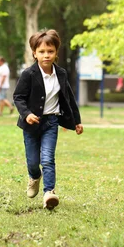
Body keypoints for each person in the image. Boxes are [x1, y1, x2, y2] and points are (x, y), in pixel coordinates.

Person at [13, 29, 83, 210]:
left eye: (50, 51)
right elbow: (18, 97)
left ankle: (49, 193)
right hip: (31, 124)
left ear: (56, 53)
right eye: (42, 52)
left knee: (48, 159)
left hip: (51, 122)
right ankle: (34, 177)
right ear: (34, 53)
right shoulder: (28, 74)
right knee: (33, 162)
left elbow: (69, 98)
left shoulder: (61, 74)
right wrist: (26, 113)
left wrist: (76, 120)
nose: (46, 55)